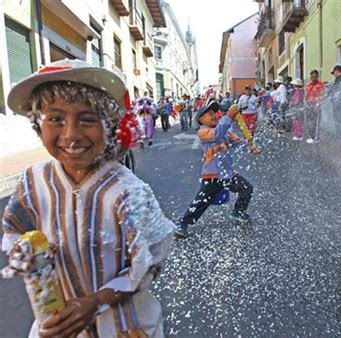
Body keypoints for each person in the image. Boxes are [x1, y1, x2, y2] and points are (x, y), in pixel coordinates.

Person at [2, 59, 175, 337]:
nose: (71, 135)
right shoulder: (32, 182)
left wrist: (95, 301)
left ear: (108, 127)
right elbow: (14, 233)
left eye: (87, 119)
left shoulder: (128, 192)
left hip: (124, 327)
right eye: (55, 119)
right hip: (57, 326)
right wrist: (29, 258)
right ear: (38, 126)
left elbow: (149, 263)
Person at [175, 101, 260, 238]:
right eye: (209, 114)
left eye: (214, 113)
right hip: (212, 176)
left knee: (246, 188)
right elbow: (216, 135)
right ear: (201, 119)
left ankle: (238, 212)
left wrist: (250, 147)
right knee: (201, 201)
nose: (214, 116)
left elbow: (237, 142)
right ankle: (183, 223)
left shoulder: (224, 130)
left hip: (227, 173)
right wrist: (229, 117)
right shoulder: (203, 132)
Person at [305, 69, 325, 143]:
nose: (313, 78)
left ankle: (317, 138)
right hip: (309, 104)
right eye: (312, 77)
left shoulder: (320, 85)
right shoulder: (309, 85)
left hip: (316, 104)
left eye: (315, 76)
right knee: (310, 122)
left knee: (316, 122)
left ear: (317, 77)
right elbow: (306, 96)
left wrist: (318, 104)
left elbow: (323, 95)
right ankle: (312, 137)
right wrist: (306, 104)